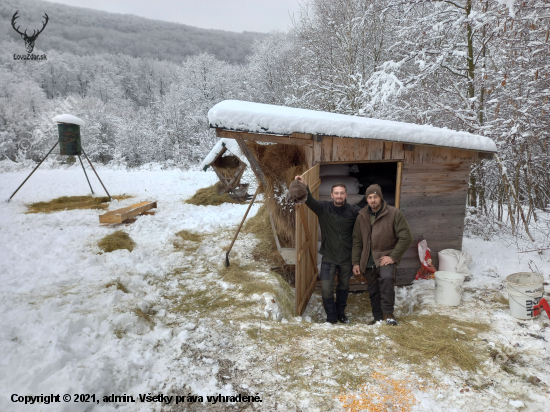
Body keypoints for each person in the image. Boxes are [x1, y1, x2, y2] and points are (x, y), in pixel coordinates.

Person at [294, 175, 361, 324]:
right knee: (326, 288)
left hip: (346, 258)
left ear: (346, 195)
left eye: (341, 193)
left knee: (343, 287)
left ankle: (341, 313)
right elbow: (309, 201)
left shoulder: (353, 211)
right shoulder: (324, 208)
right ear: (332, 195)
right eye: (336, 193)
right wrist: (305, 186)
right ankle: (331, 316)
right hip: (329, 257)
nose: (339, 196)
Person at [352, 184, 413, 326]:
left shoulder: (394, 214)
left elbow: (407, 237)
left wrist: (393, 257)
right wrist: (356, 262)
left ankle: (388, 314)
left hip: (385, 257)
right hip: (367, 258)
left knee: (386, 279)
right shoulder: (361, 216)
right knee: (372, 288)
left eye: (375, 197)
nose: (373, 200)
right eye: (370, 197)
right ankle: (378, 317)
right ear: (367, 199)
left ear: (380, 198)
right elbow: (357, 241)